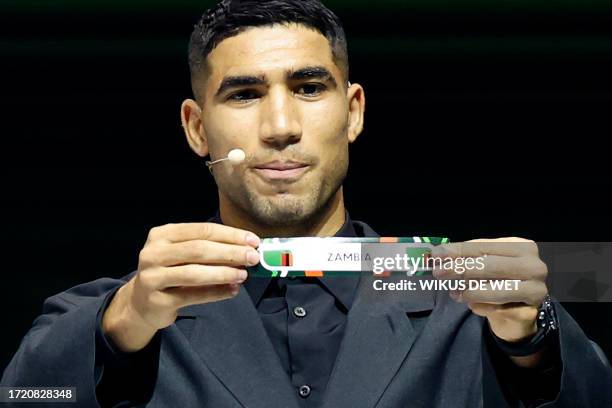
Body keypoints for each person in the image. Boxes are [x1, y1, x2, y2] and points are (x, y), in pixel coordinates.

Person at [2, 1, 611, 407]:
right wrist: (121, 321)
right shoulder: (121, 313)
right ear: (195, 129)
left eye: (309, 87)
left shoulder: (471, 298)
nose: (280, 126)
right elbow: (28, 399)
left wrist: (536, 337)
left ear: (353, 112)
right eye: (243, 94)